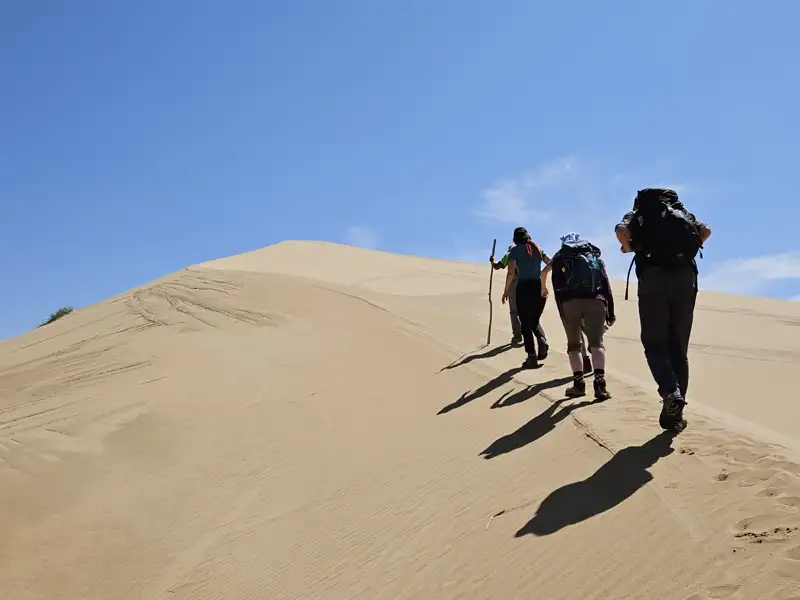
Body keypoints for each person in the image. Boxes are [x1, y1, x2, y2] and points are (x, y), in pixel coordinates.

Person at [615, 187, 712, 431]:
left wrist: (629, 247)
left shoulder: (638, 213)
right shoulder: (682, 213)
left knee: (654, 343)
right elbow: (706, 230)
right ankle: (676, 415)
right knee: (679, 348)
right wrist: (688, 249)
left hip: (653, 278)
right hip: (685, 279)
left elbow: (621, 230)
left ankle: (671, 393)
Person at [542, 232, 615, 400]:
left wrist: (562, 312)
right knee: (597, 344)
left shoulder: (561, 257)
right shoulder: (593, 257)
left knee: (574, 345)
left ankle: (579, 384)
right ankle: (600, 385)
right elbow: (605, 284)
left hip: (570, 304)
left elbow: (557, 286)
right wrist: (611, 311)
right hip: (596, 302)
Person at [501, 227, 551, 369]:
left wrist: (506, 290)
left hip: (523, 288)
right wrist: (544, 276)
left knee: (525, 323)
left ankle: (532, 357)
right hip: (538, 287)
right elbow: (551, 261)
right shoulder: (537, 248)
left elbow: (511, 272)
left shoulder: (515, 251)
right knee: (534, 320)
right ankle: (542, 340)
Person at [491, 245, 549, 356]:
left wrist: (493, 261)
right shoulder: (531, 251)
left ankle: (518, 336)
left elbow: (499, 266)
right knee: (531, 315)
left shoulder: (510, 253)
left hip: (515, 284)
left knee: (514, 311)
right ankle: (540, 337)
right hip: (532, 284)